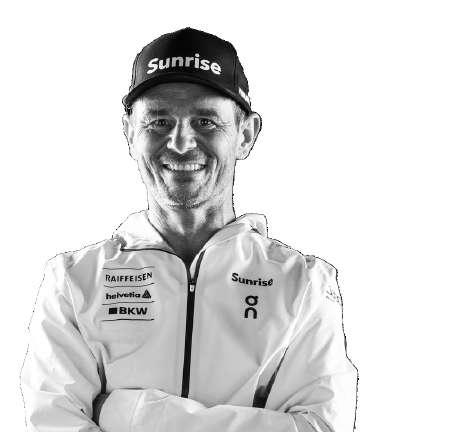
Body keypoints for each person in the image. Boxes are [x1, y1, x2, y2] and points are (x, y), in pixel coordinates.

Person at [20, 27, 358, 432]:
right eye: (159, 121)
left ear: (245, 135)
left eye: (205, 121)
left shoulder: (302, 285)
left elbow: (319, 427)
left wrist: (129, 412)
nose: (180, 143)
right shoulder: (74, 282)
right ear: (129, 132)